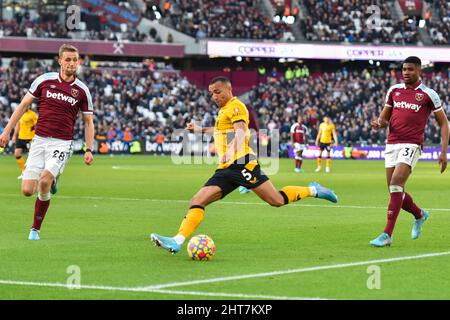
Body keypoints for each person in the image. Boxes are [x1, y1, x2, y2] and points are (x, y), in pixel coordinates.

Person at [150, 77, 338, 254]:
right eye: (211, 93)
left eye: (217, 92)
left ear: (228, 89)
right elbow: (219, 130)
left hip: (243, 164)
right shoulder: (223, 110)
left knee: (276, 200)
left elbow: (241, 132)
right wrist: (199, 130)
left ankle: (314, 190)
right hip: (225, 169)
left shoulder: (236, 106)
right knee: (197, 200)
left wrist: (231, 151)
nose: (214, 96)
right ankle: (177, 240)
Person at [0, 44, 95, 241]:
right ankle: (53, 179)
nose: (71, 63)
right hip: (39, 141)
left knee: (44, 181)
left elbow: (88, 121)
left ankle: (35, 229)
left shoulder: (82, 90)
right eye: (67, 59)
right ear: (59, 60)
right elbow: (23, 105)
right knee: (27, 191)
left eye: (74, 60)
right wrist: (7, 131)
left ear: (78, 62)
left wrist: (89, 149)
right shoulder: (44, 81)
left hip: (62, 143)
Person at [369, 56, 448, 247]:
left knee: (396, 183)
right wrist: (379, 124)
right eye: (404, 69)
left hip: (412, 144)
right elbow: (385, 118)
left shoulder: (429, 94)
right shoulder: (394, 91)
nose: (406, 73)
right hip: (392, 143)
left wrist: (443, 151)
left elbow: (444, 122)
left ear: (420, 70)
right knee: (395, 190)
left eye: (410, 69)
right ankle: (420, 214)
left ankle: (387, 234)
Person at [12, 105, 38, 179]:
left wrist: (33, 131)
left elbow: (37, 125)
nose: (25, 107)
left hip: (29, 138)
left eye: (27, 105)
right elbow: (18, 125)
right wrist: (14, 136)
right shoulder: (20, 113)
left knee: (31, 156)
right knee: (17, 154)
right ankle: (24, 171)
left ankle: (32, 173)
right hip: (21, 137)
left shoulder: (32, 114)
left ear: (29, 106)